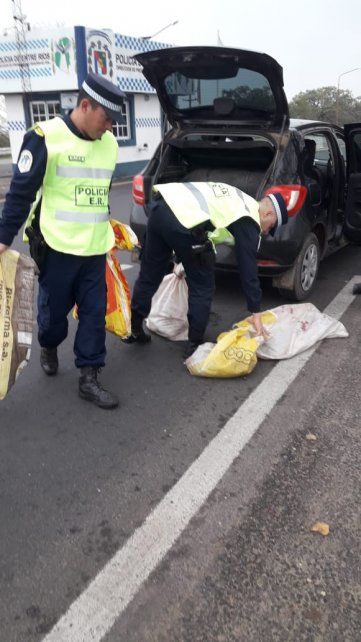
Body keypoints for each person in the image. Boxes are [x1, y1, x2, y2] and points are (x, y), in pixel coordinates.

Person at [0, 72, 126, 409]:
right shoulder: (45, 137)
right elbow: (20, 194)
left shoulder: (109, 144)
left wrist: (109, 232)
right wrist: (3, 238)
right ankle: (49, 344)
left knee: (94, 314)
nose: (110, 128)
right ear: (85, 106)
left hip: (95, 248)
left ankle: (89, 375)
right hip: (58, 248)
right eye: (106, 118)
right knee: (53, 317)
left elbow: (101, 192)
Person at [125, 181, 290, 358]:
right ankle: (194, 345)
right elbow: (248, 269)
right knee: (202, 286)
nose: (266, 232)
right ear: (268, 213)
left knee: (149, 274)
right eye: (271, 226)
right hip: (183, 221)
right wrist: (256, 311)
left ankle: (134, 327)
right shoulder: (249, 218)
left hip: (161, 207)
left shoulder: (241, 199)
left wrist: (182, 255)